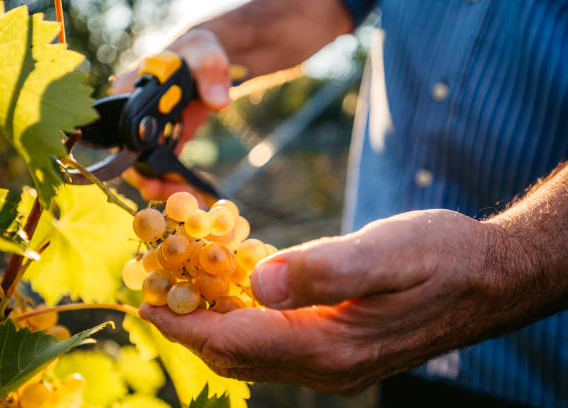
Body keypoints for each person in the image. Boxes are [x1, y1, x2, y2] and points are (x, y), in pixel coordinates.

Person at [114, 1, 568, 407]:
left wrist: (512, 257)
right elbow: (307, 9)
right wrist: (204, 49)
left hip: (543, 372)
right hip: (400, 362)